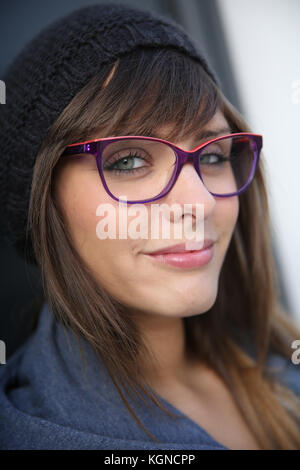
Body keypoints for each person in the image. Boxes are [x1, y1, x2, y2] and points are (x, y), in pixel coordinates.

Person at [0, 3, 300, 451]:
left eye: (213, 156)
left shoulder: (276, 357)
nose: (199, 201)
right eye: (129, 160)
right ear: (43, 201)